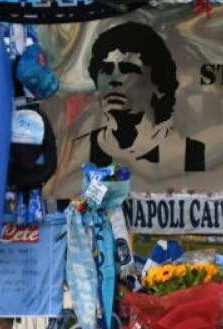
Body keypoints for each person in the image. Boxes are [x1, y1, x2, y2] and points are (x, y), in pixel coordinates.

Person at [48, 20, 204, 198]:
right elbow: (78, 199)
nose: (115, 81)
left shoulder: (188, 148)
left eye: (127, 70)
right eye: (107, 70)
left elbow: (196, 198)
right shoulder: (88, 140)